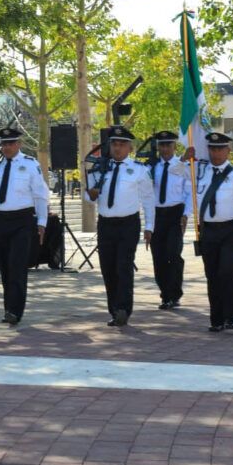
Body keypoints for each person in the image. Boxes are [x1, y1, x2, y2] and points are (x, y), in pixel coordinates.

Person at [0, 128, 49, 325]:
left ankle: (15, 310)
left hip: (22, 220)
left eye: (11, 143)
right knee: (5, 266)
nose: (6, 147)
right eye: (4, 144)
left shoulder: (30, 165)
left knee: (17, 265)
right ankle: (9, 308)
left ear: (19, 144)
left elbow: (41, 195)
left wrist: (42, 222)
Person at [182, 133, 233, 332]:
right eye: (212, 149)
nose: (215, 153)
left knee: (229, 271)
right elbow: (176, 172)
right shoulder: (199, 170)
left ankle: (230, 315)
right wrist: (183, 158)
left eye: (220, 149)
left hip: (231, 230)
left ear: (228, 151)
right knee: (212, 274)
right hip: (208, 231)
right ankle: (216, 317)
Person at [85, 126, 154, 327]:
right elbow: (88, 198)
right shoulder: (98, 168)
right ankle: (114, 310)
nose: (117, 148)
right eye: (114, 144)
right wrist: (90, 196)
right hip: (106, 224)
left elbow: (149, 200)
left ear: (130, 148)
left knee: (123, 266)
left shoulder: (140, 170)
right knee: (108, 268)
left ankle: (124, 308)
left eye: (122, 144)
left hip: (128, 224)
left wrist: (149, 226)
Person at [148, 131, 188, 310]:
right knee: (158, 256)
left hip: (175, 214)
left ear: (175, 146)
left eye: (168, 145)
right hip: (157, 214)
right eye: (161, 145)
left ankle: (175, 294)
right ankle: (165, 295)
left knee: (173, 254)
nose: (164, 149)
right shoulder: (151, 166)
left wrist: (186, 214)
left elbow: (188, 192)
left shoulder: (184, 165)